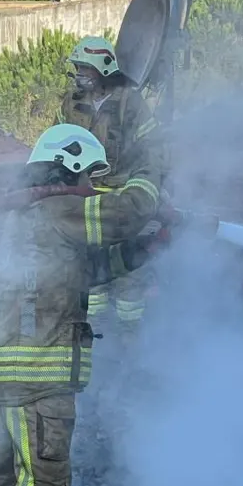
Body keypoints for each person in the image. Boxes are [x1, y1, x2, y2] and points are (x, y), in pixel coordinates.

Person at [0, 123, 159, 486]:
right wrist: (149, 177)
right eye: (89, 176)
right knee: (44, 478)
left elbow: (87, 274)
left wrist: (148, 249)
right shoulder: (58, 209)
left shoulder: (28, 217)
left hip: (9, 374)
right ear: (67, 169)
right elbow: (125, 215)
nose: (92, 188)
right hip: (39, 377)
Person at [60, 35, 164, 342]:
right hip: (83, 200)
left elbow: (152, 151)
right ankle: (98, 336)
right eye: (77, 67)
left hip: (120, 203)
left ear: (102, 70)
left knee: (127, 276)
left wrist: (144, 194)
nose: (78, 73)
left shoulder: (129, 103)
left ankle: (129, 340)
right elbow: (56, 141)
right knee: (91, 274)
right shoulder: (72, 102)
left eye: (84, 68)